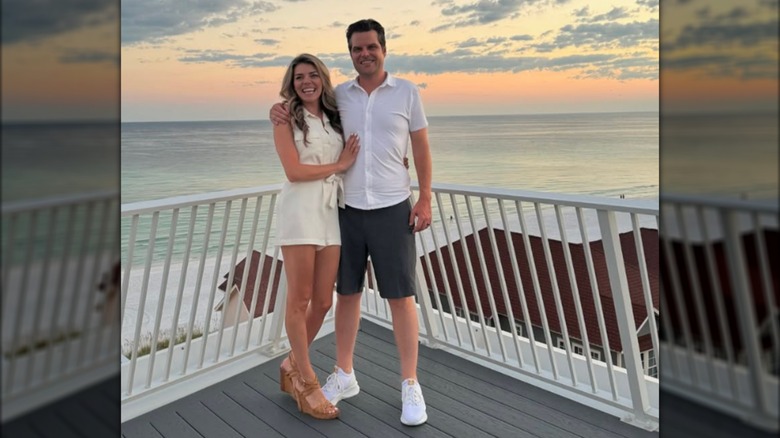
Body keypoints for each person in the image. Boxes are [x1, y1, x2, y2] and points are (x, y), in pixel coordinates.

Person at [271, 19, 433, 426]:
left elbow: (420, 146)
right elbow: (301, 113)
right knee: (347, 295)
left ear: (383, 48)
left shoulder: (407, 92)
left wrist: (425, 196)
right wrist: (280, 106)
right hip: (344, 211)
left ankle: (410, 384)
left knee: (401, 298)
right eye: (357, 49)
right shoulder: (338, 97)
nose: (365, 54)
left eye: (371, 47)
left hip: (394, 206)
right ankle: (344, 374)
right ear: (350, 54)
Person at [273, 53, 360, 420]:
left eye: (312, 75)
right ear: (291, 84)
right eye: (298, 78)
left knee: (323, 300)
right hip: (299, 211)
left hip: (329, 214)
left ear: (322, 78)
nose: (305, 82)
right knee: (300, 299)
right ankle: (306, 382)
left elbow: (360, 145)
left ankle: (291, 364)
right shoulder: (284, 117)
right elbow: (293, 171)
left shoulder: (336, 116)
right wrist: (339, 166)